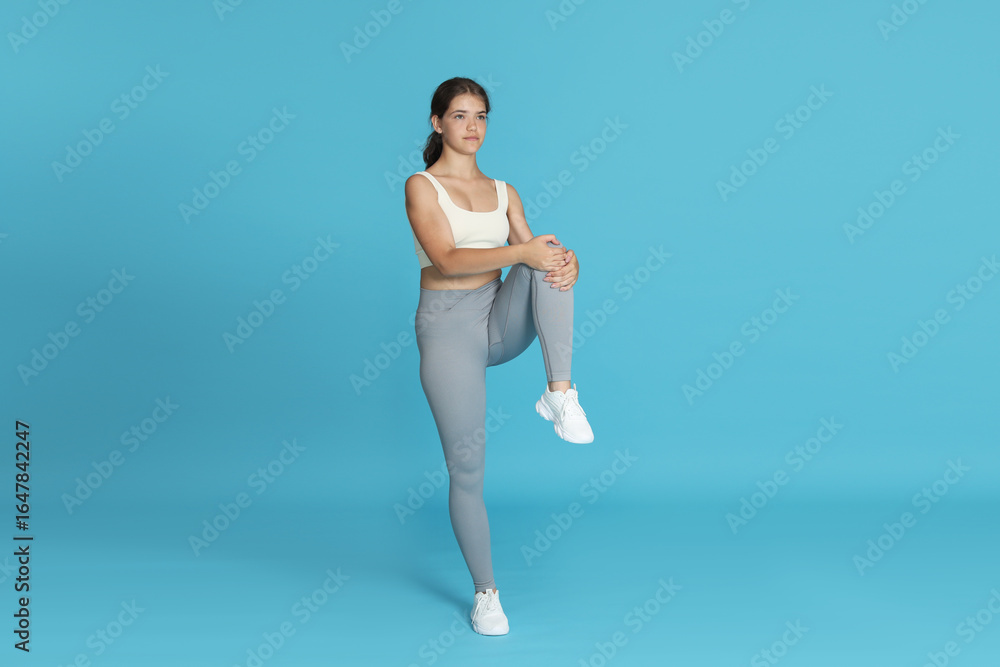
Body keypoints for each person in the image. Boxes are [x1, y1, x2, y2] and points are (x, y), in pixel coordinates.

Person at [405, 77, 595, 636]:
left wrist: (564, 263)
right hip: (447, 331)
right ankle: (486, 593)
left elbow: (534, 264)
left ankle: (559, 393)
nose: (472, 127)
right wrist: (526, 253)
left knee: (553, 255)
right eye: (460, 116)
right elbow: (444, 259)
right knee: (467, 469)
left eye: (481, 116)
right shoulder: (422, 186)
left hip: (498, 318)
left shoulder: (504, 190)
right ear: (437, 122)